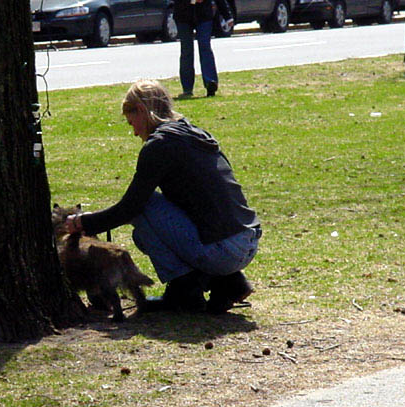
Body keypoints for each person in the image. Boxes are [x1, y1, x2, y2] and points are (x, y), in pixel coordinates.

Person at [65, 79, 261, 314]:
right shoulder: (193, 132)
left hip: (224, 250)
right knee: (143, 235)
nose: (135, 131)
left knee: (146, 208)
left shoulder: (159, 145)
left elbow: (131, 207)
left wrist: (82, 223)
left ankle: (184, 289)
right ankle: (228, 282)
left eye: (132, 123)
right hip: (247, 239)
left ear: (141, 111)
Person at [174, 0, 234, 98]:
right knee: (186, 50)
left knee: (205, 47)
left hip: (204, 15)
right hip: (182, 15)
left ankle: (211, 83)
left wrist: (227, 16)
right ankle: (187, 88)